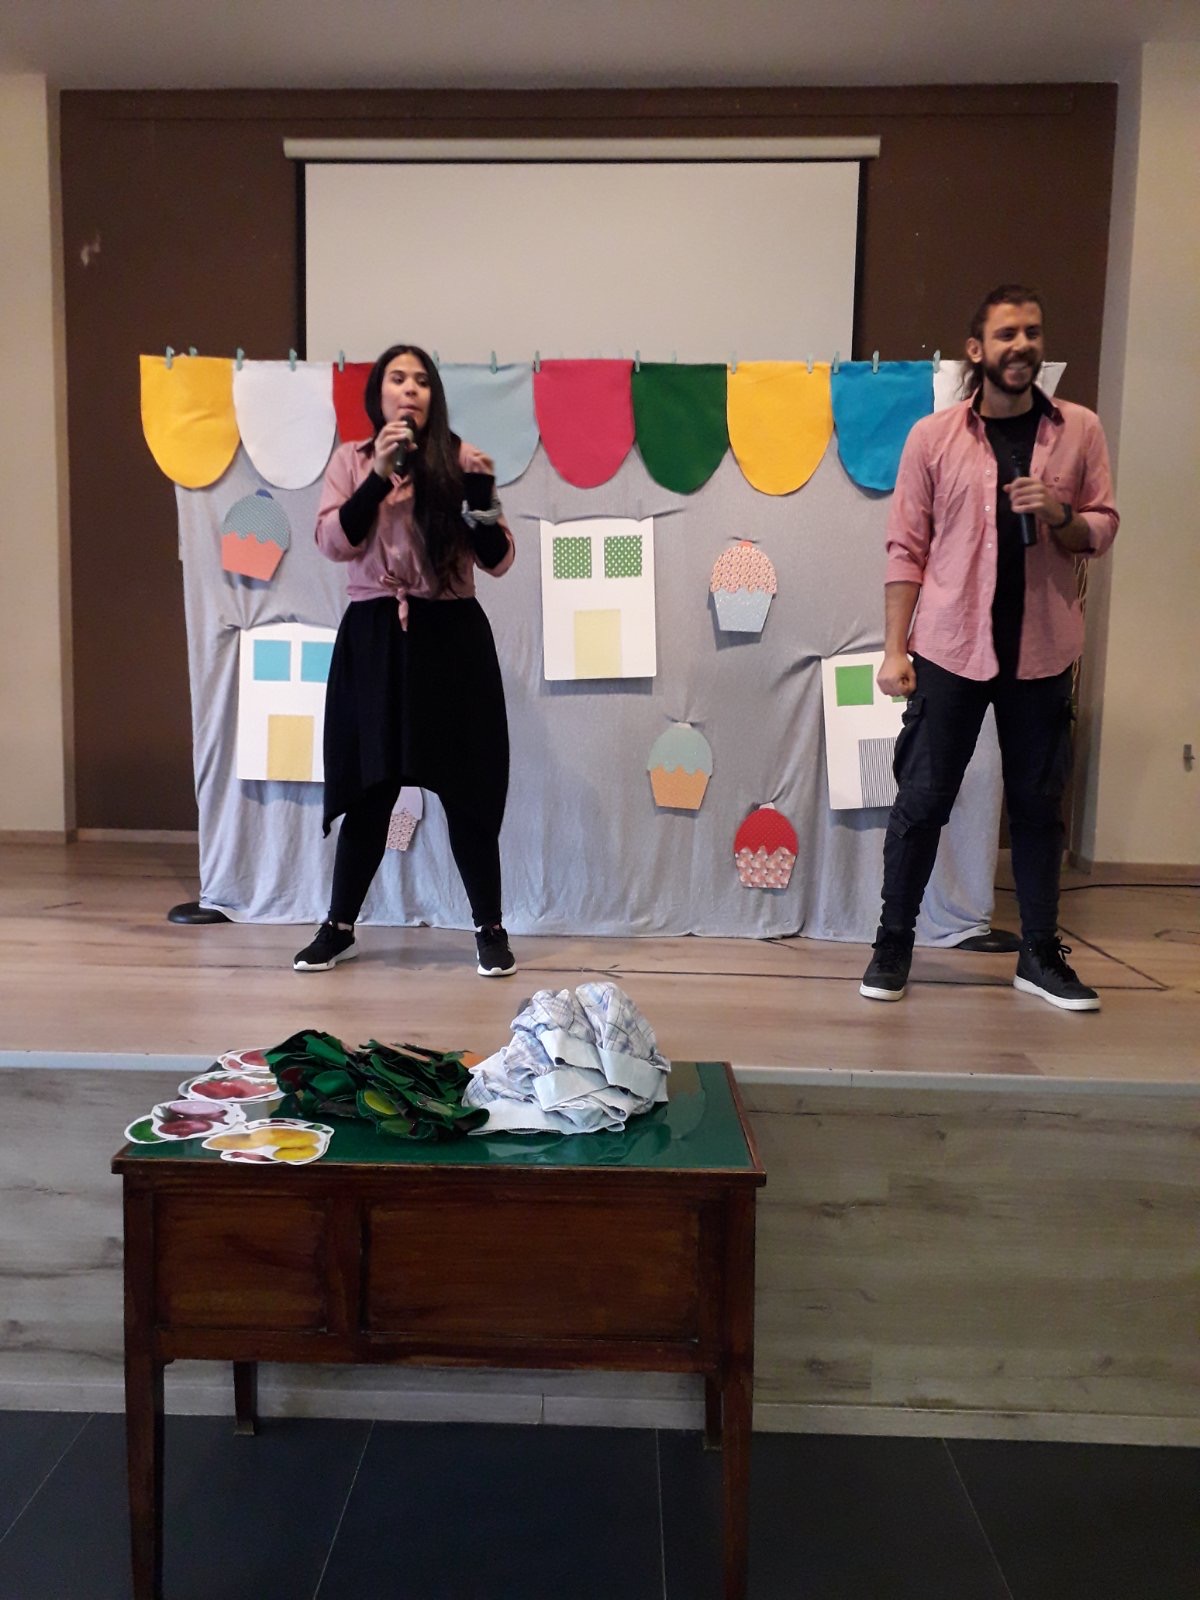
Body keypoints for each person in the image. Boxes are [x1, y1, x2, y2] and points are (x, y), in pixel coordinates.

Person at [860, 286, 1118, 1010]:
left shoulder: (1079, 430)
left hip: (1042, 651)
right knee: (922, 800)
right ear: (976, 350)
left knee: (1038, 807)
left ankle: (1039, 955)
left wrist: (1060, 514)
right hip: (949, 649)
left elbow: (1101, 526)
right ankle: (893, 943)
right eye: (1006, 334)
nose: (1021, 345)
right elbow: (905, 547)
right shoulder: (933, 437)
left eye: (1032, 332)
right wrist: (894, 650)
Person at [293, 344, 517, 977]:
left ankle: (490, 928)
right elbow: (334, 541)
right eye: (398, 378)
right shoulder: (351, 460)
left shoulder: (463, 460)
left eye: (421, 380)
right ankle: (339, 927)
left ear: (433, 397)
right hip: (375, 638)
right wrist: (377, 475)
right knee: (371, 788)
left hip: (451, 637)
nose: (410, 389)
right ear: (379, 395)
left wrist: (479, 496)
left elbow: (498, 559)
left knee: (466, 790)